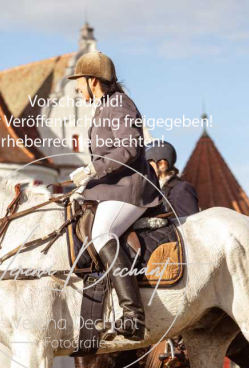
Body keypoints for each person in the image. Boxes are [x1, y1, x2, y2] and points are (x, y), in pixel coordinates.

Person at [68, 51, 160, 341]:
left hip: (131, 188)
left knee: (102, 234)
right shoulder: (105, 105)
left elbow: (130, 148)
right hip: (113, 186)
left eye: (79, 82)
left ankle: (133, 316)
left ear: (93, 80)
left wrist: (92, 169)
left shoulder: (119, 104)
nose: (77, 88)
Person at [145, 140, 199, 218]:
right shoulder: (156, 189)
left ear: (162, 164)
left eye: (149, 164)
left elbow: (192, 222)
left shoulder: (181, 189)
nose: (146, 168)